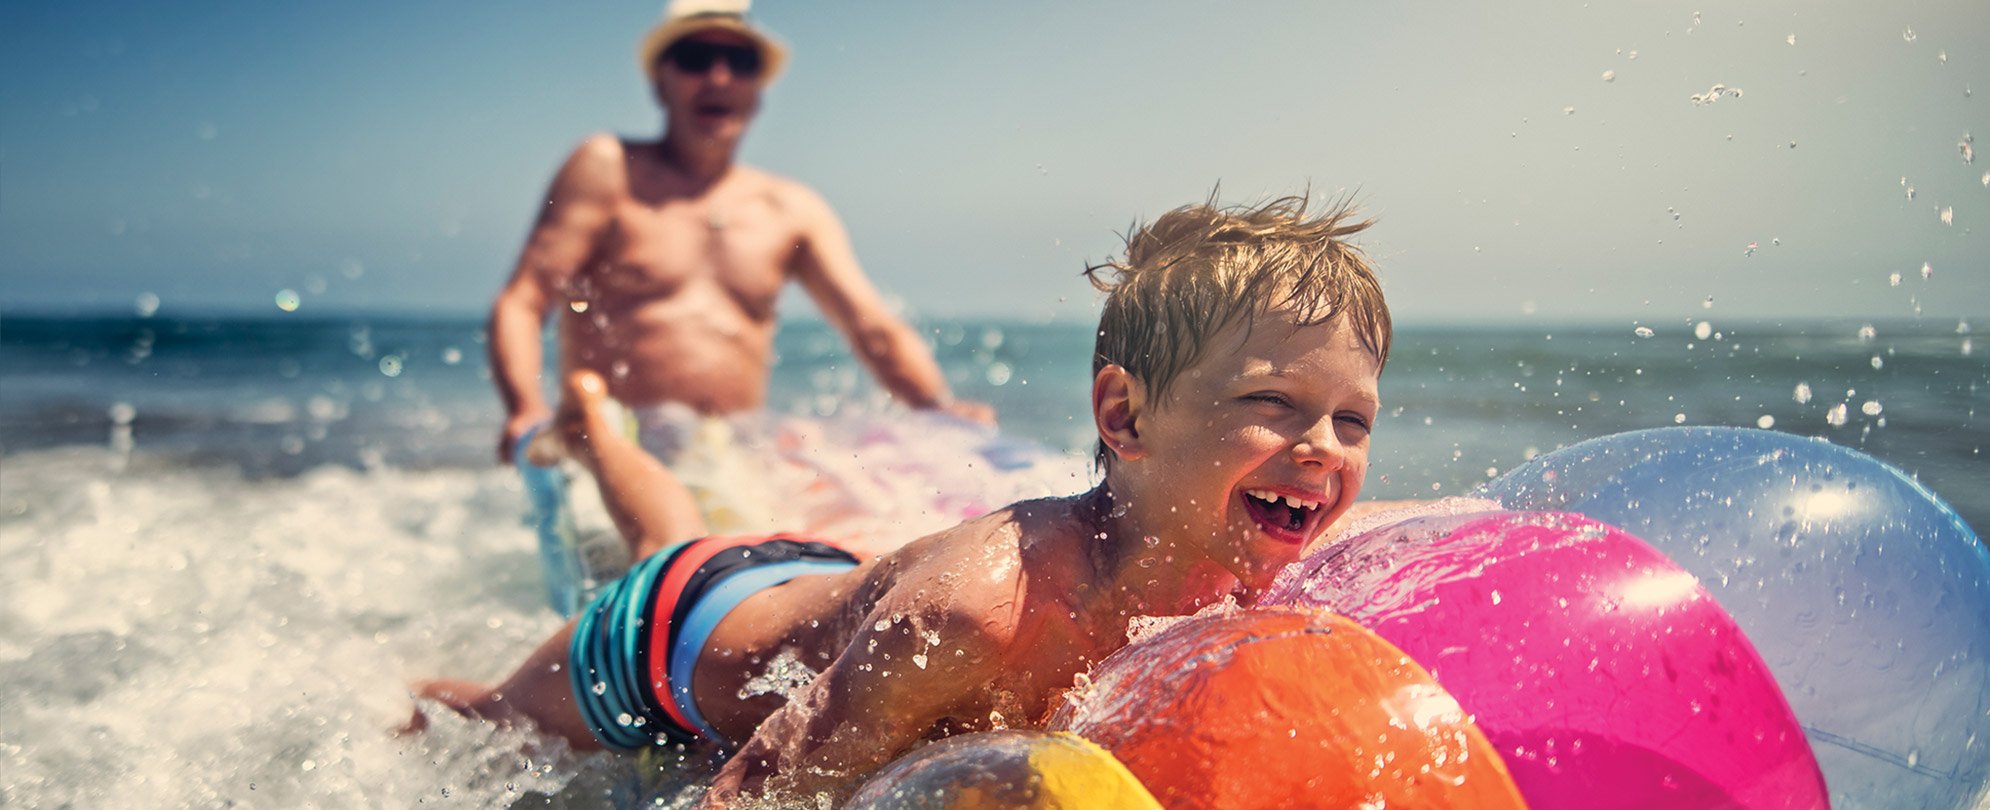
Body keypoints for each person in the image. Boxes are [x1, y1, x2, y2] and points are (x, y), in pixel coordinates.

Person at [418, 196, 1399, 807]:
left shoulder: (1271, 556)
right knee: (494, 715)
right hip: (668, 636)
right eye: (1271, 404)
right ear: (1123, 415)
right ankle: (586, 428)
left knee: (677, 523)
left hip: (820, 587)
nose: (1320, 449)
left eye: (1352, 420)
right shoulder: (978, 610)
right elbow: (757, 791)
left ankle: (601, 432)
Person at [487, 0, 988, 475]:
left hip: (733, 457)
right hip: (614, 452)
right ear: (659, 83)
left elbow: (872, 328)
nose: (718, 77)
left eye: (740, 61)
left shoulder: (791, 209)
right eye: (695, 58)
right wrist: (526, 409)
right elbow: (524, 300)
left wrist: (936, 409)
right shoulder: (607, 170)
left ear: (758, 92)